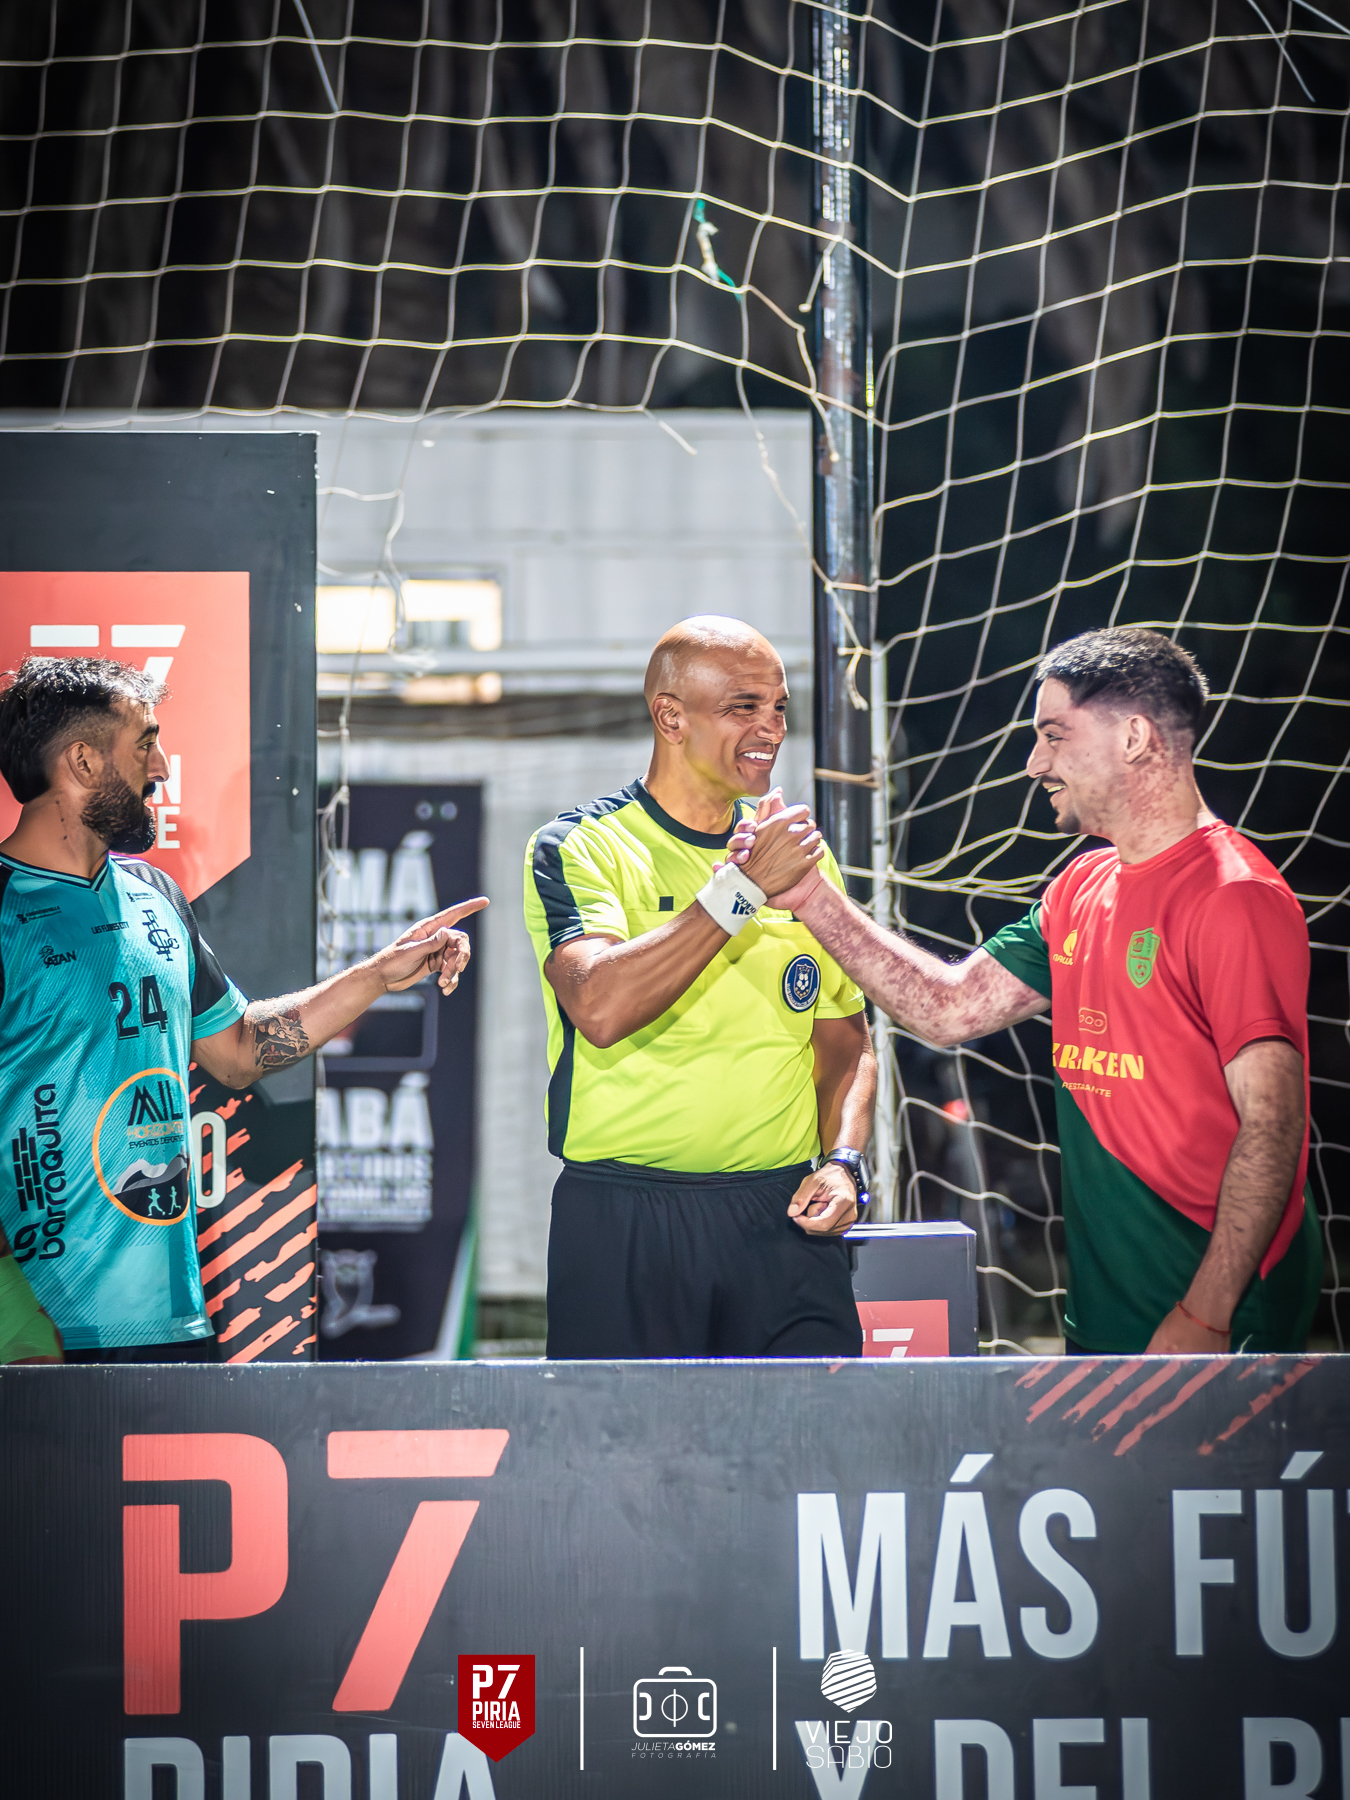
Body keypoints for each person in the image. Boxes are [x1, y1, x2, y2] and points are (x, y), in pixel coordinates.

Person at [729, 627, 1321, 1356]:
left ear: (1135, 737)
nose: (1036, 762)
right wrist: (808, 894)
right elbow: (947, 1008)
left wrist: (1208, 1314)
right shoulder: (1084, 884)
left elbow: (1273, 1125)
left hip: (1218, 1322)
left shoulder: (1234, 895)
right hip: (1109, 1316)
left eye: (1054, 735)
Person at [0, 656, 485, 1363]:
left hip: (171, 1322)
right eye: (145, 743)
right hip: (35, 1331)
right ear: (81, 760)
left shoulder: (154, 893)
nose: (160, 768)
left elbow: (238, 1051)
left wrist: (378, 975)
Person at [524, 616, 876, 1360]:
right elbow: (599, 1007)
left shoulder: (800, 857)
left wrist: (845, 1162)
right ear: (671, 718)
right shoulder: (583, 846)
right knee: (624, 1439)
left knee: (810, 1431)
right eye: (743, 707)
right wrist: (742, 890)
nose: (770, 728)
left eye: (778, 707)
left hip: (782, 1216)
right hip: (624, 1216)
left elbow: (847, 1045)